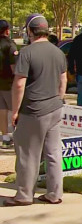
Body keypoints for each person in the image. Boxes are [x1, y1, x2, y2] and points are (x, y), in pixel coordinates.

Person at [4, 14, 67, 206]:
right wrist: (59, 99)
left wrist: (15, 111)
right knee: (54, 153)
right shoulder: (58, 52)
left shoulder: (27, 52)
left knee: (27, 154)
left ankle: (24, 195)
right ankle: (54, 194)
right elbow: (63, 79)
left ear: (30, 31)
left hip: (33, 110)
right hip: (55, 108)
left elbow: (19, 84)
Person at [0, 20, 17, 149]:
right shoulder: (10, 45)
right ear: (7, 30)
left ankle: (5, 136)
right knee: (15, 110)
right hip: (9, 83)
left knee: (2, 110)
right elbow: (14, 67)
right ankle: (17, 136)